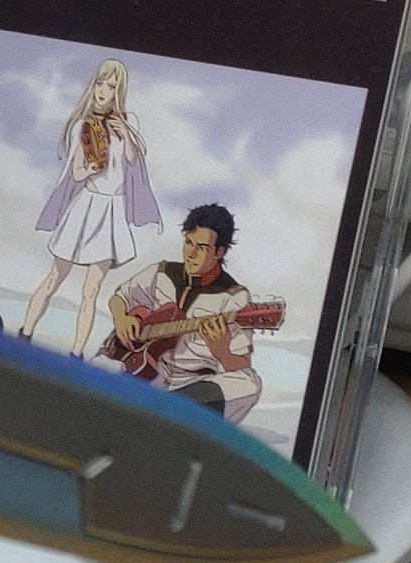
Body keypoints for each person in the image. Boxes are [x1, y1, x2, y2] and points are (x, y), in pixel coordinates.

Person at [19, 58, 161, 357]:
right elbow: (75, 172)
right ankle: (25, 334)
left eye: (111, 86)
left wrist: (126, 134)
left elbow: (133, 162)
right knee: (55, 277)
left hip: (112, 212)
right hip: (86, 207)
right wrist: (91, 169)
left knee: (91, 291)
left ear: (119, 92)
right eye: (100, 83)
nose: (103, 91)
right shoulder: (82, 125)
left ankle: (77, 354)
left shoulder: (128, 123)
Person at [101, 203, 263, 423]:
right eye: (188, 243)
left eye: (202, 248)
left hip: (193, 387)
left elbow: (240, 364)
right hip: (145, 368)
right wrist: (122, 319)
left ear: (220, 251)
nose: (191, 254)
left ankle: (171, 412)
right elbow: (119, 298)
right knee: (96, 365)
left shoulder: (235, 297)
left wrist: (222, 352)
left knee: (249, 383)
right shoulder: (162, 272)